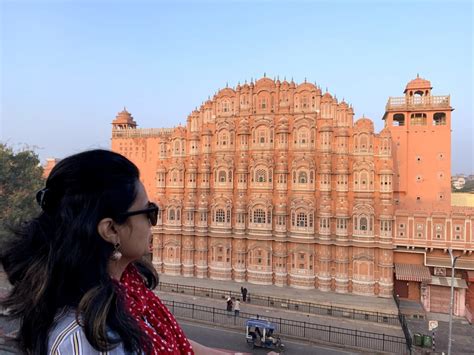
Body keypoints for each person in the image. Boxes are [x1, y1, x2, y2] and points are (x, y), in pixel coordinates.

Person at [0, 149, 233, 355]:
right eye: (149, 212)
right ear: (111, 230)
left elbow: (168, 342)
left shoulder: (128, 292)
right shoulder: (89, 337)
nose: (153, 223)